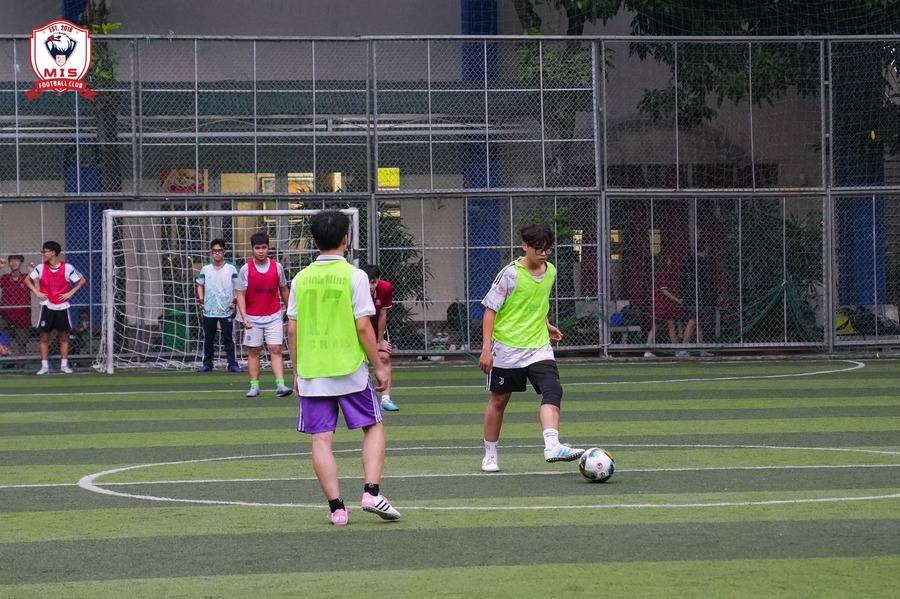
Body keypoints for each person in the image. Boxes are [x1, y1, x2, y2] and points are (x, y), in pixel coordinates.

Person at [287, 209, 399, 526]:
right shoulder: (355, 276)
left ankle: (337, 509)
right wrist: (378, 365)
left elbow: (292, 329)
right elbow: (364, 326)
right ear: (346, 239)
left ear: (314, 241)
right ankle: (371, 492)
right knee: (373, 426)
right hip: (349, 369)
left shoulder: (300, 278)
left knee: (321, 440)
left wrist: (296, 371)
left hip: (313, 371)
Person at [478, 222, 584, 473]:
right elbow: (491, 311)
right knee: (499, 400)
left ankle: (552, 445)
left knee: (553, 390)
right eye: (538, 249)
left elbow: (538, 303)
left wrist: (547, 325)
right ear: (525, 246)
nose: (543, 254)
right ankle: (490, 455)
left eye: (547, 249)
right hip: (507, 348)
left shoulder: (551, 271)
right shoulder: (510, 274)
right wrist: (486, 349)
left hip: (538, 347)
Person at [235, 232, 292, 397]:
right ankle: (254, 386)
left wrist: (290, 312)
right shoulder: (246, 269)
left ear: (268, 248)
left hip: (273, 315)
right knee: (254, 350)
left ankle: (281, 385)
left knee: (275, 348)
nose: (261, 251)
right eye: (257, 248)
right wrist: (244, 316)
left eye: (264, 247)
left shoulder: (277, 267)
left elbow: (284, 289)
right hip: (253, 317)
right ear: (252, 249)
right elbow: (240, 294)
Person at [25, 241, 87, 375]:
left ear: (53, 253)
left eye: (45, 251)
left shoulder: (67, 268)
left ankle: (64, 365)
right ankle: (44, 366)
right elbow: (27, 280)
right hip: (47, 306)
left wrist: (70, 293)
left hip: (62, 307)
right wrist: (37, 292)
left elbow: (82, 281)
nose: (43, 254)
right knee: (44, 337)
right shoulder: (41, 267)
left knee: (63, 336)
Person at [196, 239, 242, 373]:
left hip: (227, 309)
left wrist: (234, 302)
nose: (217, 254)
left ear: (224, 252)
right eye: (214, 251)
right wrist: (201, 301)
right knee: (208, 338)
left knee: (229, 338)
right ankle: (207, 363)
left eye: (219, 251)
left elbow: (238, 287)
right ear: (211, 253)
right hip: (209, 310)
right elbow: (199, 284)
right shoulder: (206, 269)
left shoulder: (231, 268)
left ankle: (232, 364)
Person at [361, 264, 398, 412]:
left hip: (377, 328)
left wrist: (380, 340)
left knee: (384, 357)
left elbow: (383, 315)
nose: (371, 286)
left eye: (373, 282)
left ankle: (386, 399)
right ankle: (362, 399)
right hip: (358, 327)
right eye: (367, 282)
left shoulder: (385, 287)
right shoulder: (354, 288)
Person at [678, 243, 715, 357]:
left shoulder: (688, 262)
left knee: (698, 323)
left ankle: (701, 348)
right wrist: (711, 297)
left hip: (689, 296)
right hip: (697, 297)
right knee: (693, 321)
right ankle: (684, 347)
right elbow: (706, 283)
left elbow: (682, 281)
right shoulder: (702, 263)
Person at [644, 251, 683, 357]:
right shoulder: (663, 274)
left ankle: (648, 350)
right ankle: (677, 350)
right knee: (671, 326)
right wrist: (676, 299)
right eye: (668, 259)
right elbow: (664, 290)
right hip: (663, 305)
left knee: (656, 327)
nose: (670, 261)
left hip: (659, 304)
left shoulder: (658, 273)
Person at [0, 255, 35, 355]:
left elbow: (37, 288)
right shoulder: (5, 278)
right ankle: (3, 350)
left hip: (23, 316)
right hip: (5, 315)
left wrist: (33, 272)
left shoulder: (26, 278)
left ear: (21, 262)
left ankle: (21, 363)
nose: (13, 263)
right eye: (11, 261)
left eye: (16, 260)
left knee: (22, 344)